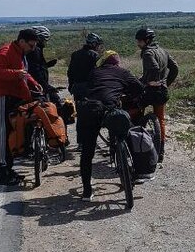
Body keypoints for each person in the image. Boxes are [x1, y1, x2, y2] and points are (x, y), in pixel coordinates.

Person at [78, 50, 144, 201]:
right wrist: (126, 93)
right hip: (110, 109)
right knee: (124, 133)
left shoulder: (95, 72)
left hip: (91, 109)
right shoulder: (123, 72)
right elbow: (139, 88)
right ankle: (132, 171)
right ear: (116, 62)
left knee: (87, 152)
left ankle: (87, 191)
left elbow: (88, 87)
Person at [0, 28, 43, 184]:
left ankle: (9, 169)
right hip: (1, 96)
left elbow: (23, 72)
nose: (33, 49)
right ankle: (3, 172)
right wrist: (16, 74)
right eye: (31, 45)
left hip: (11, 95)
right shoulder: (6, 51)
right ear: (22, 41)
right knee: (2, 134)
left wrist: (34, 83)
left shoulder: (20, 52)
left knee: (10, 131)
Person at [134, 26, 178, 161]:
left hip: (150, 90)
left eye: (139, 41)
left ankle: (138, 142)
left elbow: (154, 68)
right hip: (162, 91)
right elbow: (175, 68)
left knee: (135, 110)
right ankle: (161, 152)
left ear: (146, 41)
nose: (138, 44)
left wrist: (148, 82)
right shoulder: (162, 51)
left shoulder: (147, 53)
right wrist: (166, 83)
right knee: (160, 119)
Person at [67, 32, 103, 149]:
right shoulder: (95, 56)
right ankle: (92, 141)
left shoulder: (75, 54)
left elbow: (70, 72)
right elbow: (98, 73)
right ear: (94, 44)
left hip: (77, 88)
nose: (98, 47)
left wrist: (71, 86)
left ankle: (81, 142)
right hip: (91, 89)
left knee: (81, 115)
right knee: (93, 115)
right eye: (97, 44)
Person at [25, 25, 57, 98]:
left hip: (34, 84)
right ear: (41, 39)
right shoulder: (35, 50)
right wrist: (46, 86)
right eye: (45, 40)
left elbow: (35, 65)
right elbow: (34, 70)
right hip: (36, 85)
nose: (45, 42)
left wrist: (47, 65)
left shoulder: (33, 49)